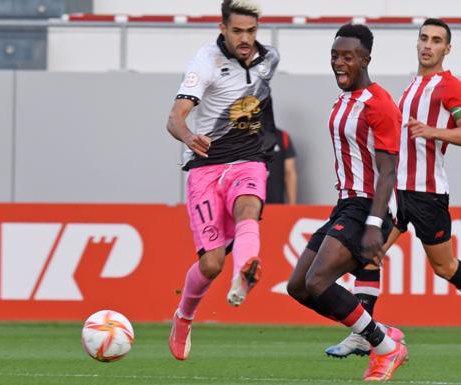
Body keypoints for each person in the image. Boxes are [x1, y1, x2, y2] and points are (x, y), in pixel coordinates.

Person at [325, 18, 461, 359]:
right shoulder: (412, 87)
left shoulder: (449, 87)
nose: (428, 45)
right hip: (397, 192)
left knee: (445, 267)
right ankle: (365, 335)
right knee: (369, 254)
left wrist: (433, 131)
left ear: (446, 49)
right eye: (424, 38)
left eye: (436, 40)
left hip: (427, 193)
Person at [287, 23, 408, 381]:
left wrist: (374, 223)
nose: (340, 63)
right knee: (299, 287)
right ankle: (379, 332)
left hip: (369, 205)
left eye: (348, 57)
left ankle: (385, 348)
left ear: (366, 59)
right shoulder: (343, 102)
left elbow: (388, 171)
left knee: (319, 281)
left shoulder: (380, 104)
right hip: (344, 204)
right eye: (335, 56)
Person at [165, 0, 279, 361]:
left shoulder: (269, 58)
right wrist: (187, 136)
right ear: (223, 28)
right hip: (206, 167)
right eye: (237, 31)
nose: (245, 39)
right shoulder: (205, 63)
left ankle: (243, 273)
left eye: (251, 31)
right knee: (211, 262)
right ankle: (184, 316)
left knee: (250, 207)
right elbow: (175, 117)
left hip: (249, 161)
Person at [266, 128, 298, 204]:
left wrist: (292, 205)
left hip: (276, 203)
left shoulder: (282, 136)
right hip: (248, 204)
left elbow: (289, 172)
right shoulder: (241, 137)